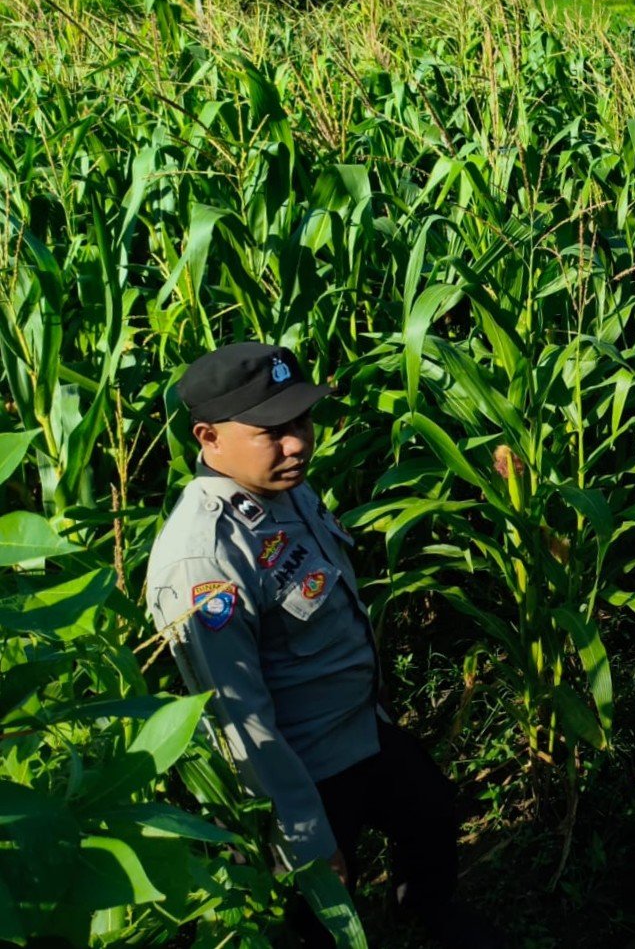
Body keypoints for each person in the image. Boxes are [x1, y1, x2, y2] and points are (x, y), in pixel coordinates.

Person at [145, 343, 502, 948]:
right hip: (301, 766)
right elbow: (239, 719)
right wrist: (305, 837)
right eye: (272, 431)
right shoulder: (202, 555)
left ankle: (427, 915)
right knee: (324, 917)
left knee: (432, 813)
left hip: (361, 727)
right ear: (208, 437)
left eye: (301, 422)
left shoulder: (287, 491)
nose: (298, 444)